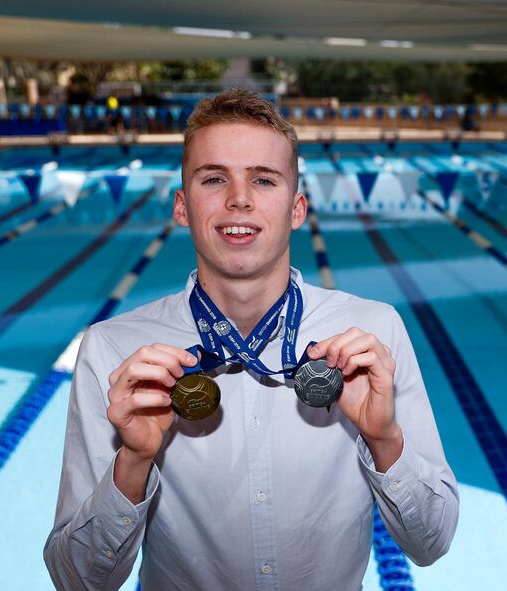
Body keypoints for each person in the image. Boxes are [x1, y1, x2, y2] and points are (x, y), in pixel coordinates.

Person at [44, 89, 459, 591]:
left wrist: (384, 439)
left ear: (297, 208)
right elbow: (77, 581)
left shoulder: (373, 334)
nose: (238, 198)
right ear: (182, 206)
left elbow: (431, 543)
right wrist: (133, 462)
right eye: (214, 178)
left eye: (263, 179)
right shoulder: (114, 351)